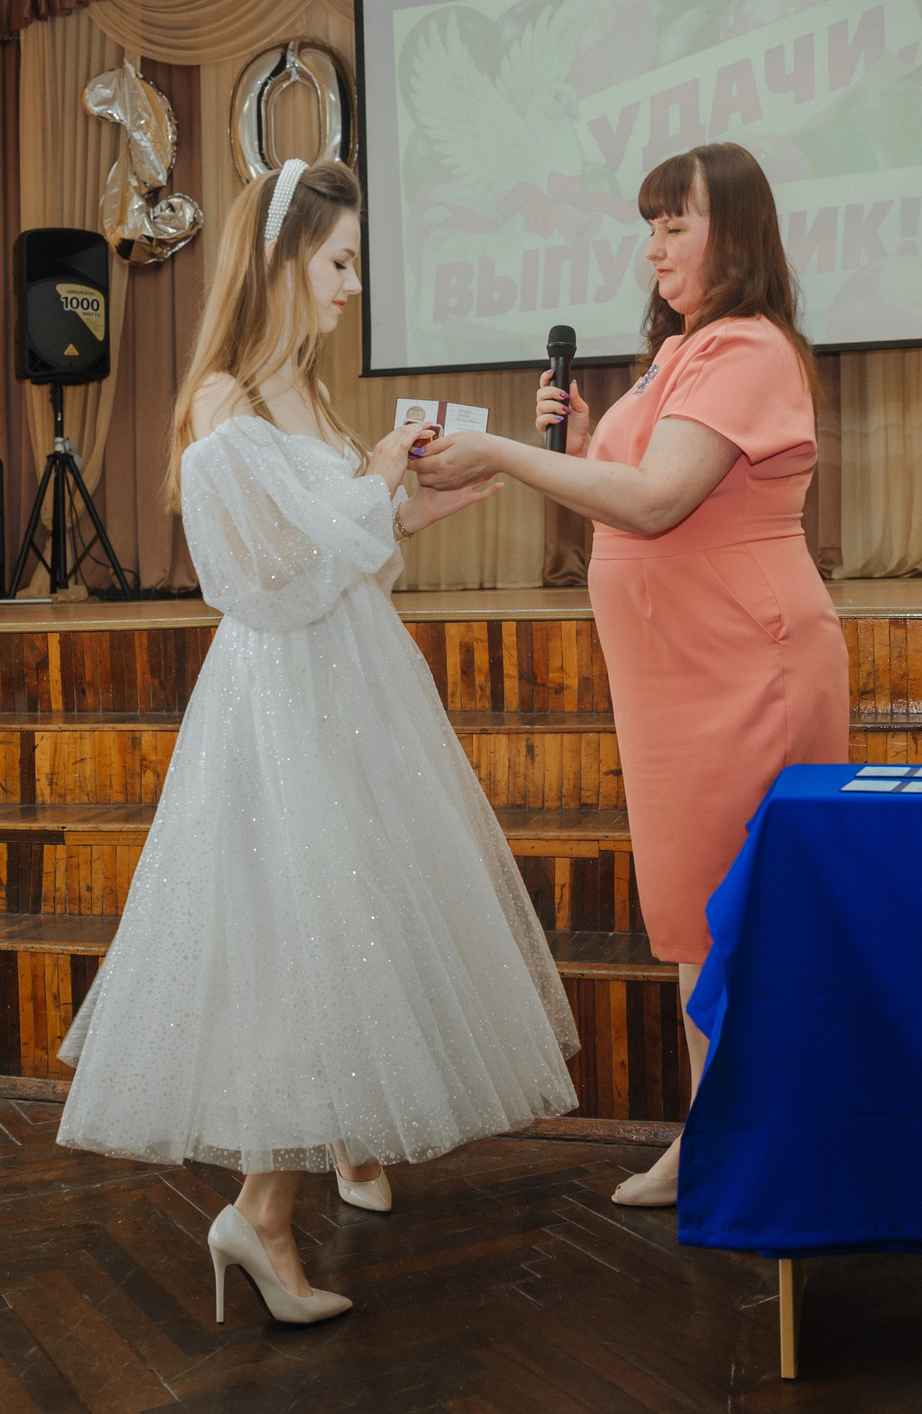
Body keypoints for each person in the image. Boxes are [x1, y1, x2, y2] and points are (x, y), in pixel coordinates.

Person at [55, 157, 580, 1325]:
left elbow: (353, 556)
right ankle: (262, 1215)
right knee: (303, 929)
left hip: (349, 681)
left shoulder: (312, 398)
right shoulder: (226, 406)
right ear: (285, 258)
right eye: (340, 263)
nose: (351, 288)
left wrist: (410, 504)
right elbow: (260, 583)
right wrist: (373, 489)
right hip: (283, 698)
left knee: (361, 909)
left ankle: (334, 1146)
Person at [413, 141, 847, 1209]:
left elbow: (658, 503)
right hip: (672, 673)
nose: (651, 246)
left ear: (732, 234)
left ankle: (755, 1146)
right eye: (648, 224)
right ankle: (714, 1137)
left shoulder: (746, 348)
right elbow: (629, 487)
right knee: (696, 911)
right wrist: (567, 445)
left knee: (741, 913)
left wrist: (511, 461)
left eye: (674, 223)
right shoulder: (682, 349)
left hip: (742, 663)